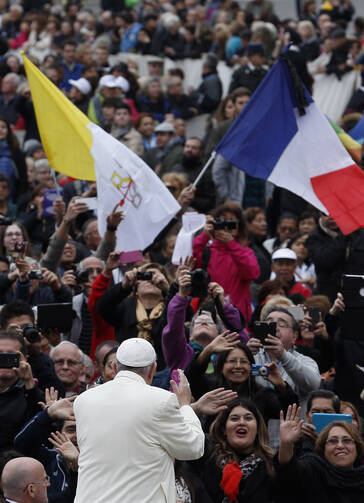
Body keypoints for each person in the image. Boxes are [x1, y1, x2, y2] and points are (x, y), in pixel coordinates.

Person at [74, 338, 205, 503]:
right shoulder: (162, 401)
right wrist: (186, 406)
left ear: (114, 368)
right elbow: (193, 448)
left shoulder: (83, 401)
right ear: (153, 370)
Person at [190, 399, 276, 503]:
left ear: (258, 429)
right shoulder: (206, 453)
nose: (241, 422)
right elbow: (176, 437)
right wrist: (195, 409)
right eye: (234, 419)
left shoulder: (272, 465)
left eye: (248, 418)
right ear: (224, 429)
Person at [276, 404, 364, 503]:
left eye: (347, 440)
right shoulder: (314, 470)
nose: (340, 446)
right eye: (332, 441)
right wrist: (286, 443)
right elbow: (289, 471)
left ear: (357, 448)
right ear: (323, 449)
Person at [193, 202, 260, 321]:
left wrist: (231, 244)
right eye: (223, 220)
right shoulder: (207, 251)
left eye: (232, 222)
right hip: (209, 313)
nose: (226, 226)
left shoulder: (245, 252)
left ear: (239, 228)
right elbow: (189, 265)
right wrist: (204, 236)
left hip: (237, 315)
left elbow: (252, 273)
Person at [248, 306, 321, 413]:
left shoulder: (305, 361)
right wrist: (245, 356)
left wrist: (283, 355)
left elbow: (313, 384)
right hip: (255, 425)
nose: (275, 328)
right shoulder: (252, 355)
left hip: (293, 425)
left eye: (282, 325)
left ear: (294, 336)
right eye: (269, 323)